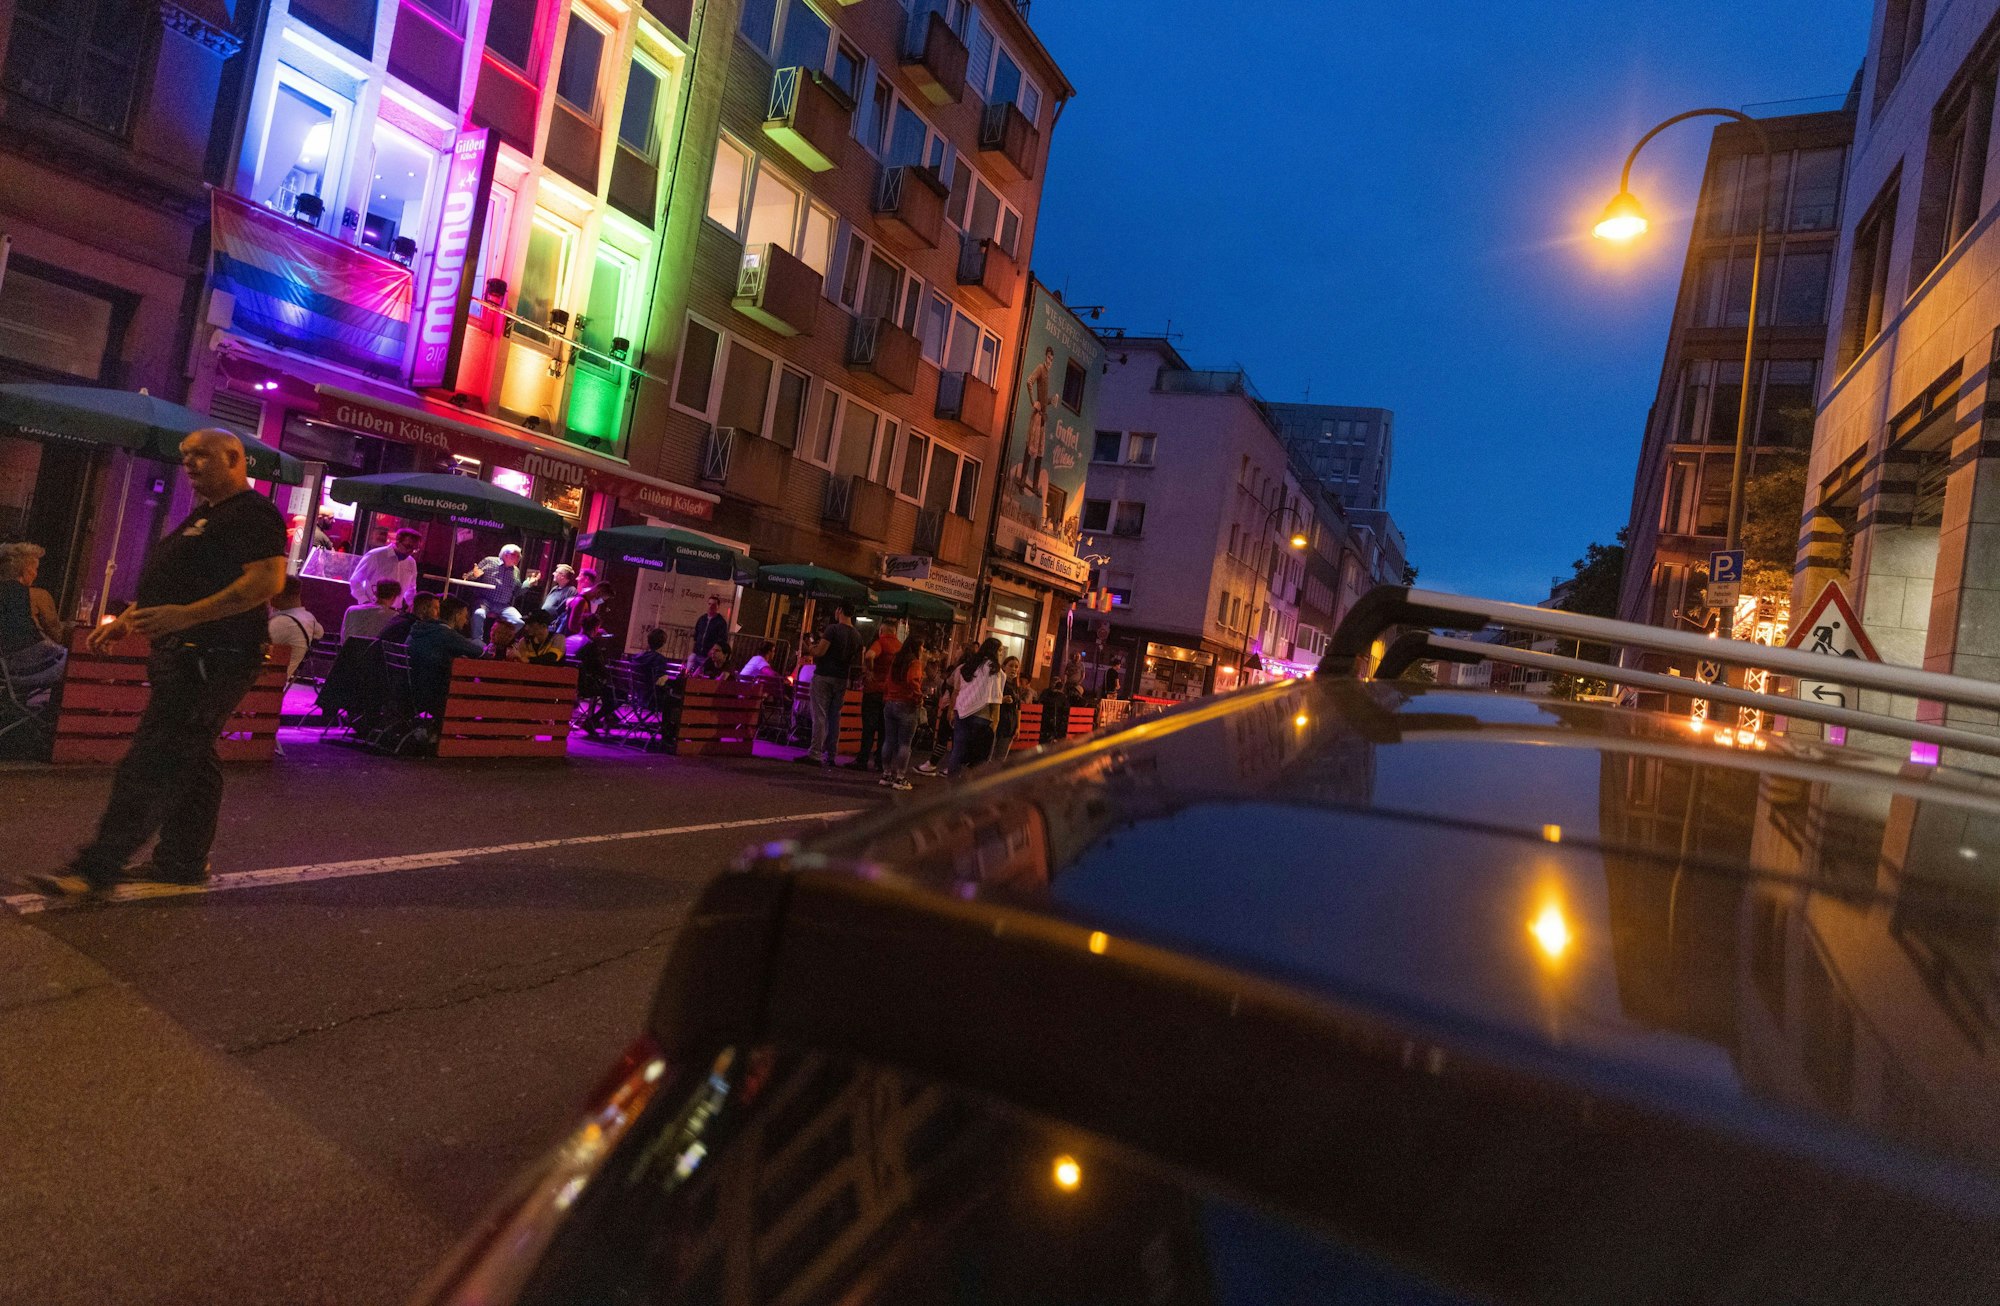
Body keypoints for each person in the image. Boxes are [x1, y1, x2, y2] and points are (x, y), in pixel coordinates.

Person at [32, 430, 286, 896]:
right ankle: (182, 861)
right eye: (184, 456)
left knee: (156, 758)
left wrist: (184, 617)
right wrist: (128, 620)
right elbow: (178, 583)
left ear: (233, 458)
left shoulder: (252, 512)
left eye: (200, 456)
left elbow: (266, 581)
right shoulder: (207, 515)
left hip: (214, 655)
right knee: (193, 757)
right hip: (187, 653)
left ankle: (94, 869)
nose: (187, 464)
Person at [796, 602, 860, 769]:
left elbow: (819, 652)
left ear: (839, 610)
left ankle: (815, 753)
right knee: (835, 717)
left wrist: (809, 645)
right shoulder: (857, 636)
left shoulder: (833, 629)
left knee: (820, 715)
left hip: (824, 676)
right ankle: (831, 755)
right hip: (842, 678)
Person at [0, 541, 69, 692]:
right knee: (78, 662)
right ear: (25, 570)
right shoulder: (37, 595)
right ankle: (60, 711)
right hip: (32, 668)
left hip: (5, 671)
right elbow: (57, 634)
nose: (36, 574)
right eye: (35, 568)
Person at [407, 595, 484, 719]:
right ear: (456, 615)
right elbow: (479, 653)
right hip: (431, 694)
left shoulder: (420, 628)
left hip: (410, 688)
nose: (466, 621)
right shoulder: (446, 634)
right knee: (474, 687)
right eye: (465, 616)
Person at [944, 638, 1005, 776]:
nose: (1001, 654)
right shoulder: (994, 668)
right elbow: (995, 697)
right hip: (981, 716)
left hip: (962, 712)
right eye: (1000, 650)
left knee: (957, 750)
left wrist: (952, 710)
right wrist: (995, 721)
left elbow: (957, 690)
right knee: (979, 755)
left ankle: (952, 783)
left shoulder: (969, 665)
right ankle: (971, 787)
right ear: (994, 651)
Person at [847, 621, 902, 772]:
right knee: (885, 730)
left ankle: (862, 760)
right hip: (889, 694)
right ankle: (880, 763)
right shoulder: (900, 647)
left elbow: (870, 655)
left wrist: (870, 671)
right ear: (895, 632)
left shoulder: (880, 643)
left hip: (874, 690)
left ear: (882, 630)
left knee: (869, 728)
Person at [878, 641, 926, 791]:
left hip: (890, 703)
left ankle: (886, 774)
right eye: (922, 646)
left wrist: (887, 696)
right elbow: (912, 680)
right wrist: (918, 695)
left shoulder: (896, 660)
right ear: (917, 646)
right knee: (905, 743)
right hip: (906, 704)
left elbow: (887, 681)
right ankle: (900, 777)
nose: (923, 649)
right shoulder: (915, 662)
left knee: (889, 740)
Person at [265, 576, 324, 681]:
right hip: (278, 682)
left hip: (261, 684)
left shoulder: (282, 623)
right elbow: (320, 632)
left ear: (278, 594)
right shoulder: (309, 619)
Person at [566, 613, 615, 736]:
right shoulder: (589, 645)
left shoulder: (569, 639)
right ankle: (593, 721)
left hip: (566, 680)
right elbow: (599, 668)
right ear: (596, 628)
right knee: (612, 694)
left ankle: (602, 720)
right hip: (583, 685)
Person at [464, 543, 524, 640]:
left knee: (519, 621)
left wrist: (527, 584)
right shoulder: (489, 561)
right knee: (479, 614)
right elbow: (467, 578)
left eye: (519, 556)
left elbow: (517, 592)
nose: (518, 558)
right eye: (515, 555)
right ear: (505, 554)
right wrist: (475, 576)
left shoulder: (516, 570)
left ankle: (498, 642)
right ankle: (477, 641)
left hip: (503, 605)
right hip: (484, 601)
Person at [350, 528, 420, 608]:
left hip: (396, 612)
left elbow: (411, 589)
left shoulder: (411, 562)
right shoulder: (375, 555)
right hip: (374, 607)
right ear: (397, 540)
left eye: (415, 549)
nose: (410, 551)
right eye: (408, 546)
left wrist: (412, 606)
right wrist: (365, 602)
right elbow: (355, 581)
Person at [991, 655, 1027, 761]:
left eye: (1016, 667)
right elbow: (990, 699)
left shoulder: (1016, 687)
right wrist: (1002, 700)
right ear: (1004, 667)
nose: (1014, 669)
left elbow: (1018, 708)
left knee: (1001, 757)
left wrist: (1018, 727)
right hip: (997, 722)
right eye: (1011, 666)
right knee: (990, 754)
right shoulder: (998, 682)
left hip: (1009, 725)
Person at [634, 627, 675, 709]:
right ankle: (666, 722)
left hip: (636, 693)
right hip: (651, 697)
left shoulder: (638, 657)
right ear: (662, 643)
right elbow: (659, 682)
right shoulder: (660, 659)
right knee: (675, 699)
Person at [692, 595, 732, 662]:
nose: (711, 606)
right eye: (709, 604)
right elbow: (696, 635)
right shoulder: (702, 619)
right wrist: (694, 650)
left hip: (709, 656)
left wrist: (713, 651)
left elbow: (722, 640)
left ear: (718, 607)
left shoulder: (721, 622)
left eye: (714, 605)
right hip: (697, 653)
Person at [538, 564, 578, 629]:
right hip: (543, 623)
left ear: (562, 576)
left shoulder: (571, 590)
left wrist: (556, 623)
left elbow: (566, 611)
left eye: (556, 572)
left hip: (553, 627)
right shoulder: (554, 588)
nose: (553, 573)